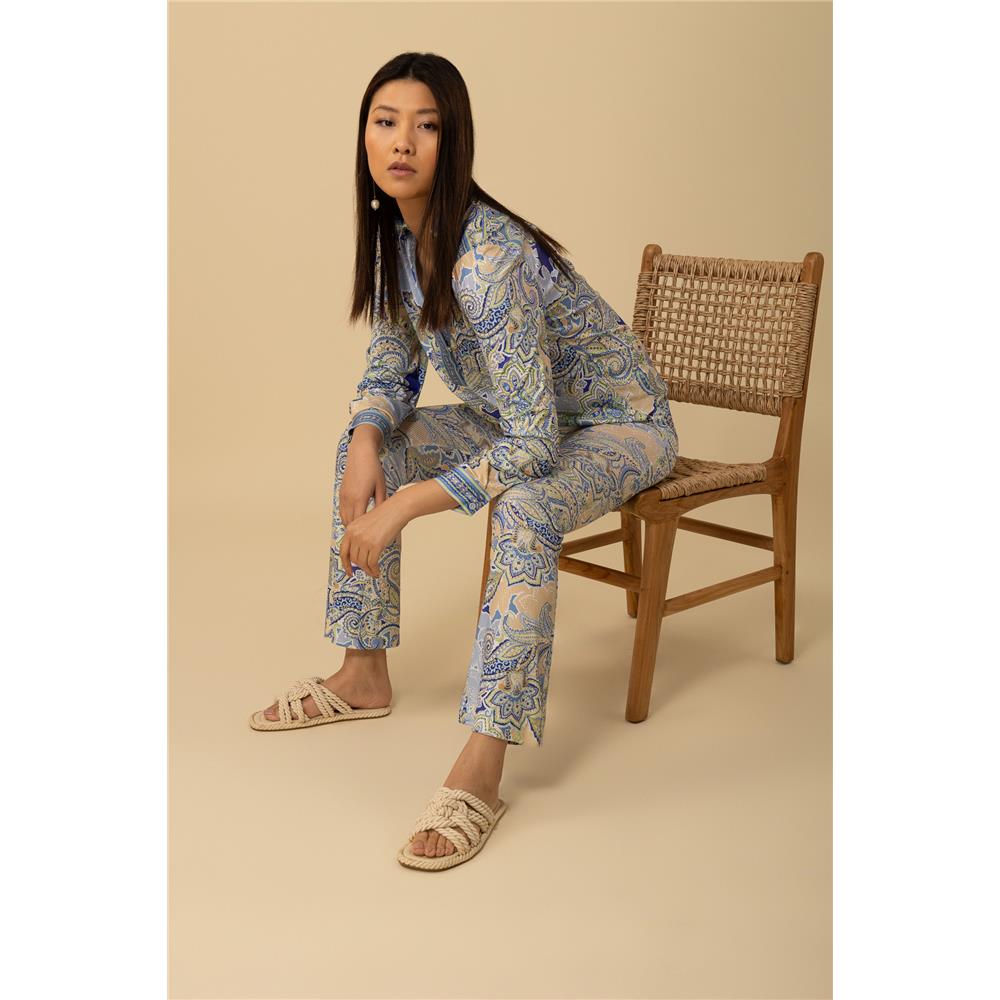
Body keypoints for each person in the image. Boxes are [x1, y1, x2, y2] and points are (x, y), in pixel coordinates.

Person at [248, 52, 679, 871]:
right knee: (373, 440)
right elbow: (392, 362)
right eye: (386, 122)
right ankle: (362, 673)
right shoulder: (400, 238)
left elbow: (534, 444)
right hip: (516, 417)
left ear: (455, 143)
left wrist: (404, 505)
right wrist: (367, 440)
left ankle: (483, 765)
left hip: (619, 425)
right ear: (365, 138)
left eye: (427, 125)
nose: (402, 141)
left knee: (526, 505)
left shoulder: (488, 259)